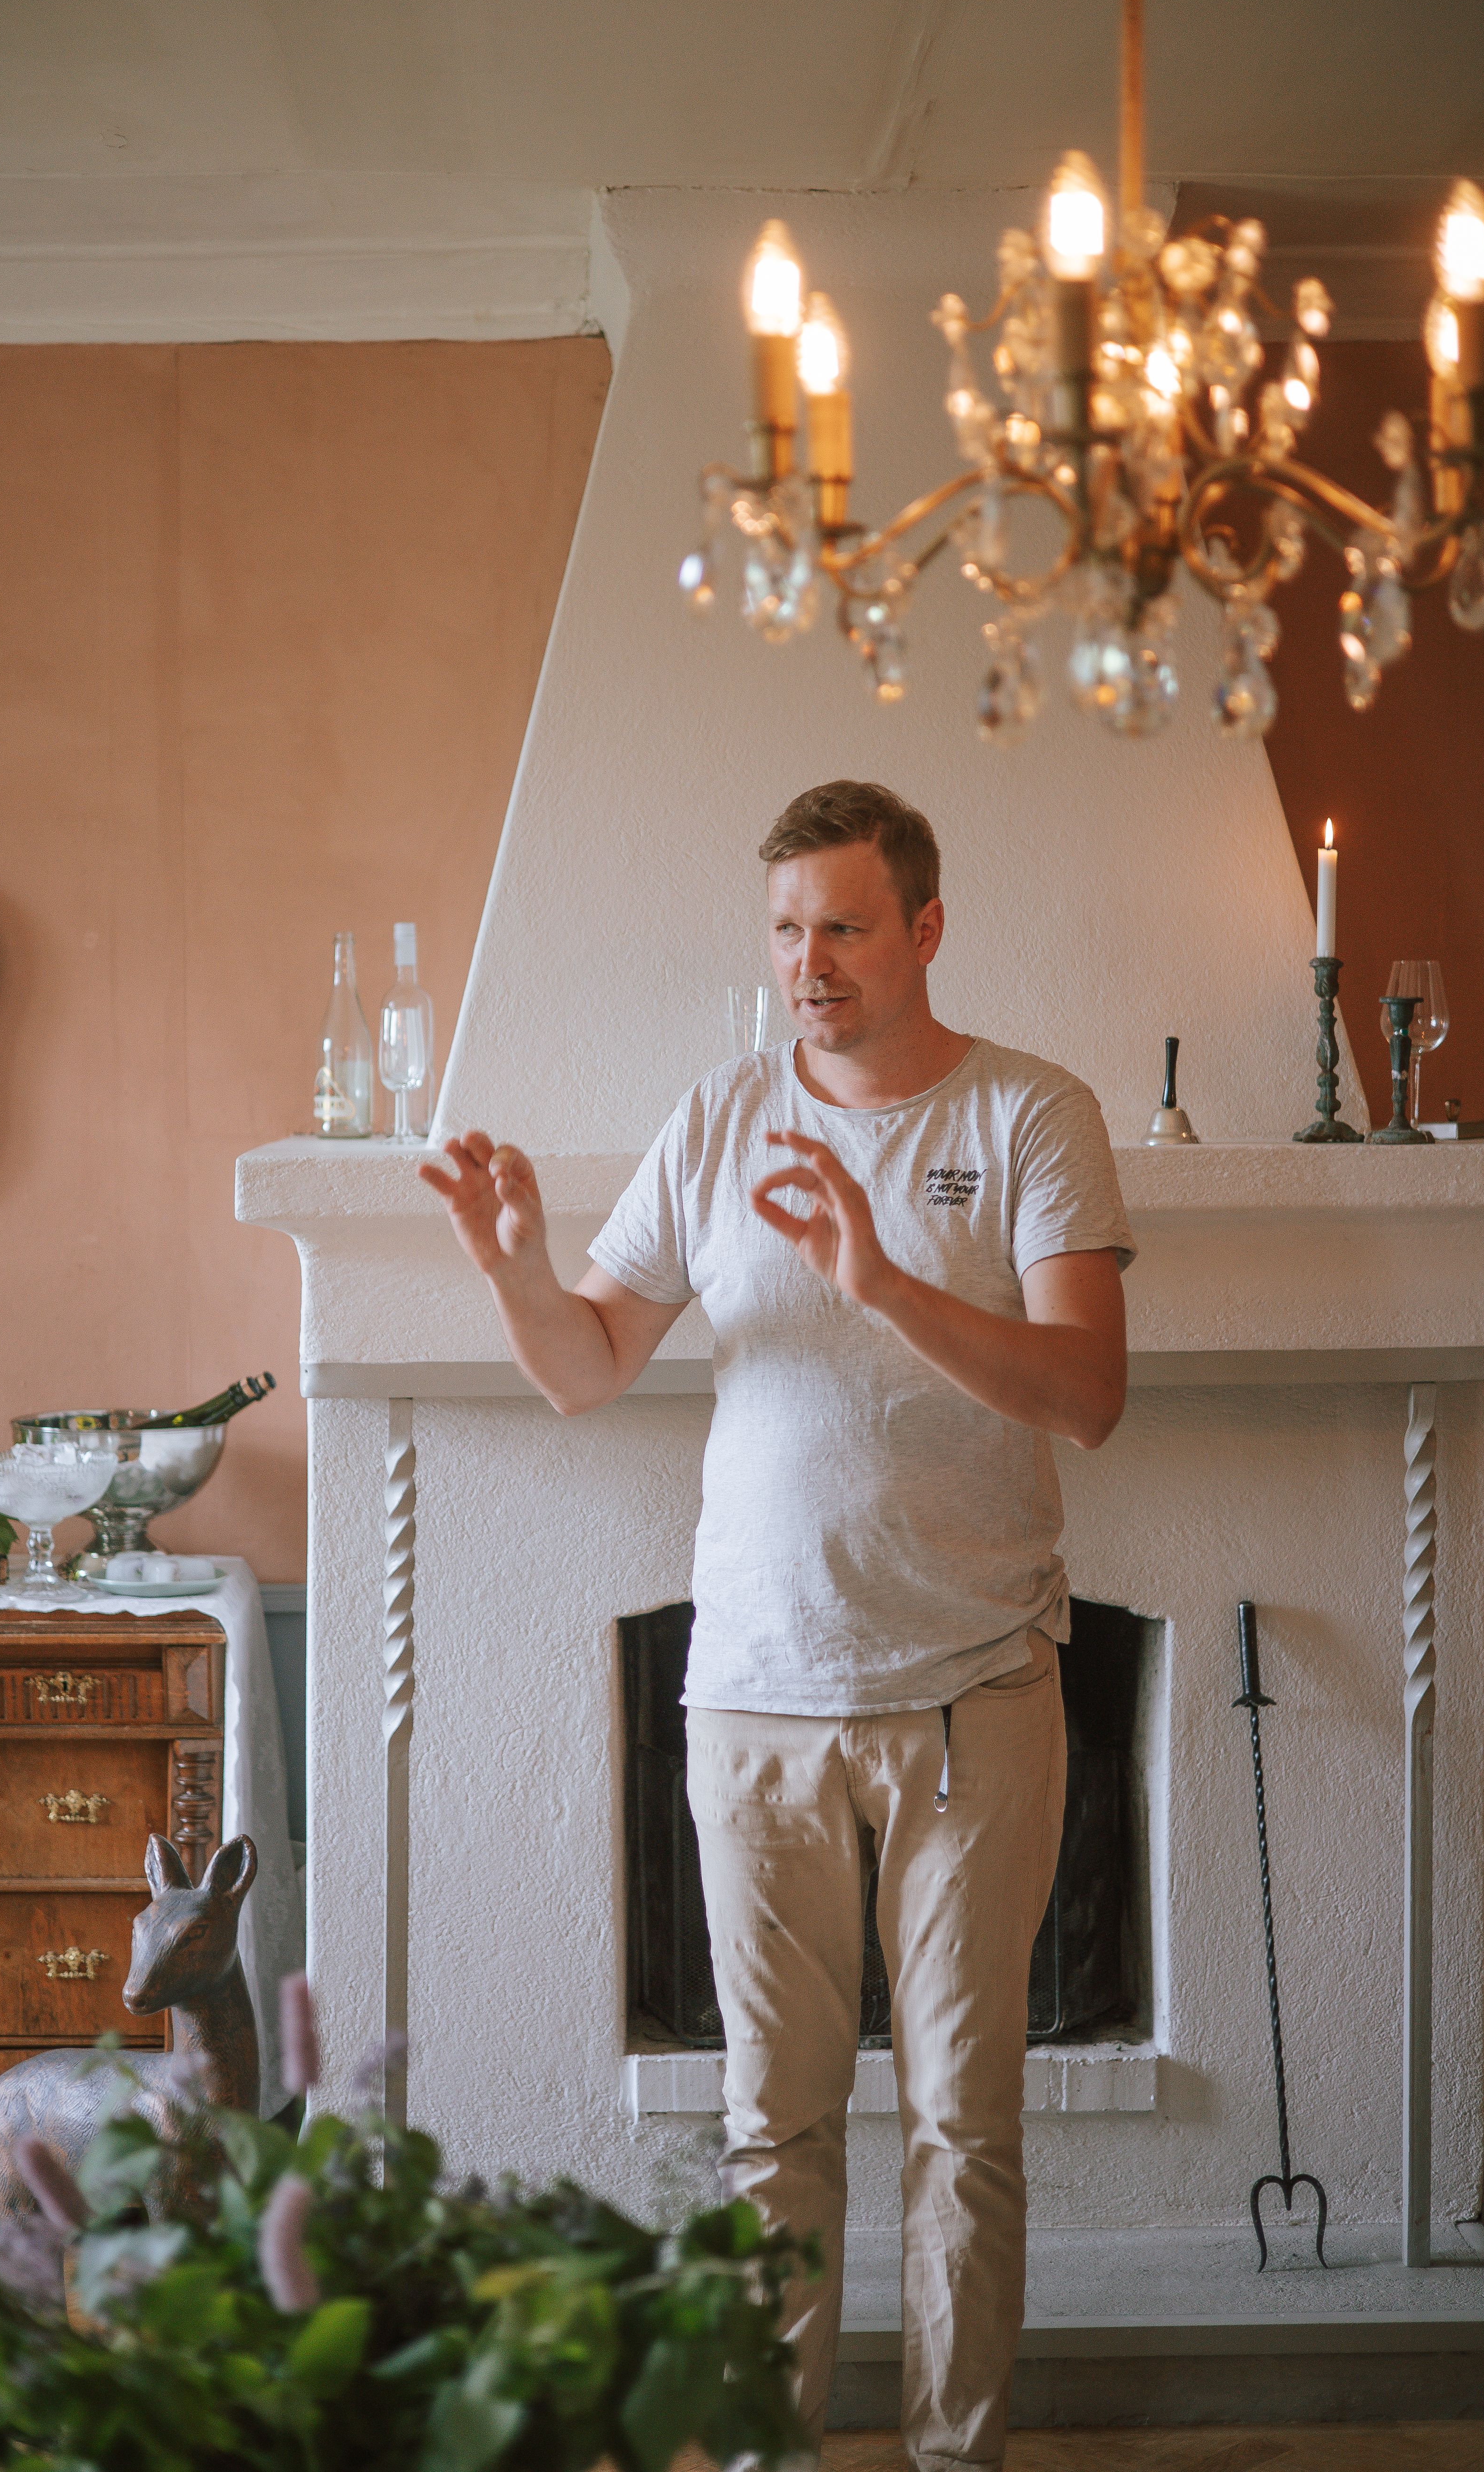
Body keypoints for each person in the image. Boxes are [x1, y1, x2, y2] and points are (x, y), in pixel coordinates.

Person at [421, 779, 1133, 2470]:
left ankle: (954, 2452)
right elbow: (587, 1367)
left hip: (972, 1691)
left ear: (923, 929)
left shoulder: (1032, 1114)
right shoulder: (720, 1116)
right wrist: (514, 1263)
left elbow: (1088, 1392)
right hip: (749, 1696)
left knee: (963, 2128)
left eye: (842, 924)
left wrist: (883, 1279)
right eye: (785, 928)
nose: (806, 960)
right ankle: (765, 2451)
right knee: (771, 2126)